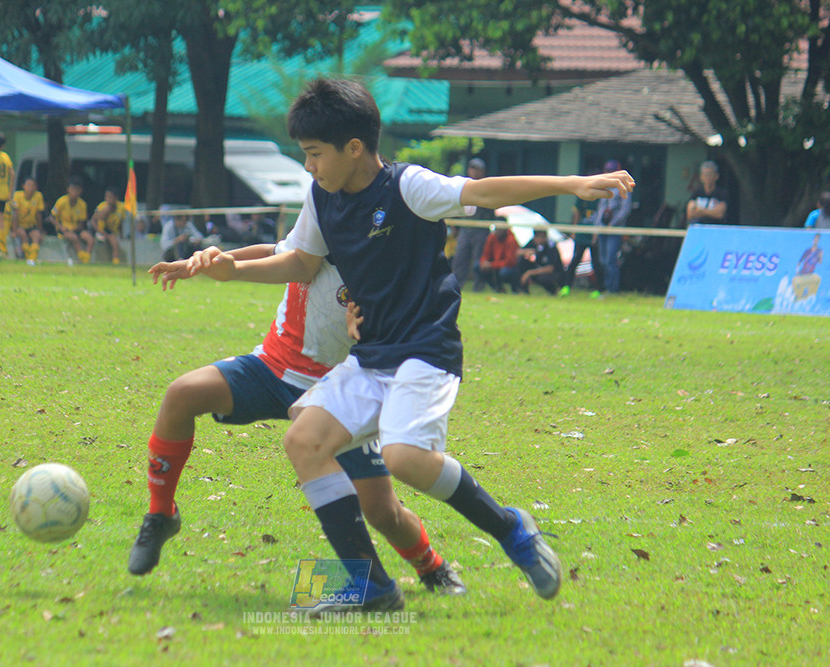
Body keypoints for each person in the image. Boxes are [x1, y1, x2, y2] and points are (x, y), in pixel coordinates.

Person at [155, 78, 635, 612]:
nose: (309, 167)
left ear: (354, 148)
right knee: (304, 441)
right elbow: (300, 262)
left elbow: (482, 192)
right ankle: (376, 589)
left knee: (406, 458)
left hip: (425, 352)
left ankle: (510, 528)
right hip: (370, 356)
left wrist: (571, 183)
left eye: (315, 154)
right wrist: (231, 270)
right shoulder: (322, 197)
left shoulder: (407, 187)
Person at [132, 238, 467, 598]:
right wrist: (214, 261)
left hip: (336, 394)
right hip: (272, 367)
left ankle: (431, 566)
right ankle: (160, 514)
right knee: (181, 394)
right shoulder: (326, 218)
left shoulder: (385, 256)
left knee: (384, 512)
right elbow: (278, 251)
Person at [451, 157, 494, 292]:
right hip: (465, 228)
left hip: (481, 229)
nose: (475, 172)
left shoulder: (487, 186)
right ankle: (456, 286)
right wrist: (455, 226)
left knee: (478, 260)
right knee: (460, 258)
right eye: (472, 168)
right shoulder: (463, 185)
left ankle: (478, 286)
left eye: (478, 169)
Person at [592, 159, 634, 294]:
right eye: (608, 171)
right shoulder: (604, 186)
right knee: (602, 260)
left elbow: (625, 210)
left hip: (615, 229)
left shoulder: (624, 187)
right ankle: (604, 287)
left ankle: (612, 289)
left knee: (611, 259)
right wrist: (597, 228)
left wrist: (613, 223)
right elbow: (600, 209)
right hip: (602, 229)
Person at [560, 186, 603, 298]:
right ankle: (566, 286)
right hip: (582, 233)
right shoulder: (582, 196)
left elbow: (601, 215)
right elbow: (577, 212)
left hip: (594, 233)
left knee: (596, 262)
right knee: (575, 259)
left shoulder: (601, 198)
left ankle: (599, 289)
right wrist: (574, 230)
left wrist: (596, 234)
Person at [50, 177, 93, 264]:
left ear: (80, 191)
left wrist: (76, 228)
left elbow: (82, 221)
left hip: (76, 229)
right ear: (68, 189)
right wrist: (60, 227)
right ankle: (82, 257)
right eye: (73, 189)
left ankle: (87, 257)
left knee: (90, 239)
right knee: (74, 238)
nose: (75, 192)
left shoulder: (82, 204)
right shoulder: (61, 201)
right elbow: (51, 217)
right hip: (64, 229)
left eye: (77, 190)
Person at [516, 228, 565, 295]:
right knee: (521, 262)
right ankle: (522, 290)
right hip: (537, 270)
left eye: (543, 237)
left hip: (553, 273)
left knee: (543, 278)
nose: (541, 239)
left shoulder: (551, 246)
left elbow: (550, 268)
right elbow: (518, 252)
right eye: (539, 237)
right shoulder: (533, 243)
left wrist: (530, 273)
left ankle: (554, 290)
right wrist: (526, 252)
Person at [10, 177, 46, 265]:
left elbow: (38, 215)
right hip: (20, 226)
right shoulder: (17, 195)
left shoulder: (38, 196)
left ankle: (32, 259)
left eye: (33, 185)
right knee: (23, 235)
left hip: (31, 226)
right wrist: (14, 230)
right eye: (28, 185)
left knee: (36, 237)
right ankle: (26, 257)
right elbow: (15, 214)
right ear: (23, 186)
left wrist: (40, 229)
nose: (31, 188)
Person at [477, 224, 520, 293]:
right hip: (496, 264)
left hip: (509, 267)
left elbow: (510, 262)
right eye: (496, 229)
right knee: (478, 266)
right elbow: (486, 253)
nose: (498, 231)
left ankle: (515, 288)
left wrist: (492, 265)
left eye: (500, 229)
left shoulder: (511, 240)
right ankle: (498, 288)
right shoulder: (492, 237)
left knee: (504, 272)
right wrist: (484, 262)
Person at [89, 186, 125, 265]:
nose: (107, 199)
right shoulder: (102, 207)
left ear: (116, 198)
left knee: (115, 243)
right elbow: (93, 221)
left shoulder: (121, 207)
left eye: (110, 197)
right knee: (112, 242)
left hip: (111, 230)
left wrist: (121, 235)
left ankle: (116, 262)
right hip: (100, 229)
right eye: (106, 197)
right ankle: (87, 259)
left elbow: (120, 223)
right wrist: (100, 231)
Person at [685, 160, 728, 226]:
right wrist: (711, 212)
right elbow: (690, 214)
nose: (708, 177)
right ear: (701, 177)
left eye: (710, 174)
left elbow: (719, 214)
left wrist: (700, 211)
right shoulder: (696, 193)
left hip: (716, 229)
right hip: (698, 229)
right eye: (705, 174)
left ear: (716, 176)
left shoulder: (722, 193)